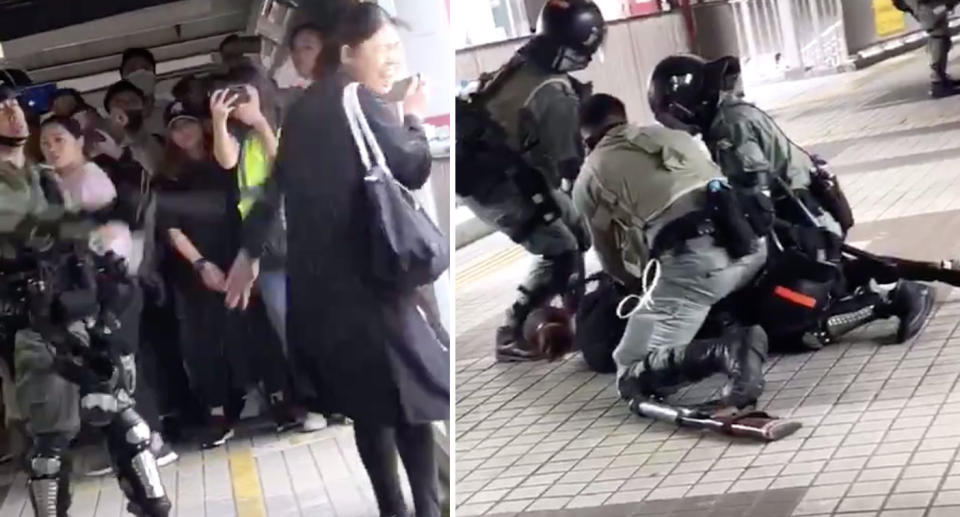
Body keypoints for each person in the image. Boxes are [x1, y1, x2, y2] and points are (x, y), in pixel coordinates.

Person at [223, 4, 446, 516]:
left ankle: (393, 509)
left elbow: (273, 188)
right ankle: (426, 510)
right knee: (408, 401)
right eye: (384, 49)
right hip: (372, 280)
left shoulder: (300, 111)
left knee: (370, 409)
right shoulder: (354, 97)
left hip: (324, 292)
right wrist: (411, 112)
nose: (392, 60)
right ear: (348, 53)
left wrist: (248, 252)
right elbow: (411, 167)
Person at [648, 54, 935, 347]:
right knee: (800, 289)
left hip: (807, 221)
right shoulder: (727, 115)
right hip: (804, 217)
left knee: (793, 323)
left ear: (680, 106)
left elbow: (757, 207)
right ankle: (866, 285)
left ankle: (892, 299)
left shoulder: (730, 127)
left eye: (667, 117)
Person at [0, 87, 171, 517]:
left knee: (128, 427)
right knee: (49, 448)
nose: (12, 113)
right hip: (35, 322)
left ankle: (154, 507)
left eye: (14, 104)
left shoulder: (43, 177)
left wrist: (105, 253)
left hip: (83, 308)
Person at [573, 92, 769, 410]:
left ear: (585, 139)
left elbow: (609, 257)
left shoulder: (590, 174)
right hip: (753, 246)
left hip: (700, 267)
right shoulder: (671, 135)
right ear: (623, 116)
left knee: (629, 370)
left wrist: (636, 285)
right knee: (696, 297)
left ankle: (731, 350)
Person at [457, 0, 603, 362]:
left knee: (578, 235)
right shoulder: (554, 91)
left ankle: (573, 313)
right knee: (561, 250)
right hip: (499, 184)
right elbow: (570, 165)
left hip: (504, 171)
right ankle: (511, 332)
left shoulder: (525, 60)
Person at [207, 67, 301, 433]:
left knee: (312, 319)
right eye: (232, 94)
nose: (239, 101)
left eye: (244, 91)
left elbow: (285, 163)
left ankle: (332, 397)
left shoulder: (282, 122)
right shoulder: (240, 137)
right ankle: (310, 398)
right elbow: (226, 162)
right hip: (265, 242)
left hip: (296, 233)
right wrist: (219, 121)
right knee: (286, 326)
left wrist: (260, 121)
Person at [154, 101, 244, 449]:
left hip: (238, 257)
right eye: (176, 126)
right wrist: (201, 264)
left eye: (188, 122)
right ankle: (219, 412)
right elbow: (171, 229)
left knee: (249, 332)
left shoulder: (222, 161)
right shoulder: (168, 176)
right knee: (202, 344)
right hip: (195, 270)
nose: (183, 131)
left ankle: (279, 398)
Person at [103, 80, 165, 178]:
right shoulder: (104, 154)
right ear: (109, 112)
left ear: (144, 108)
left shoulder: (163, 144)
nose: (126, 106)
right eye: (119, 102)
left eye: (132, 101)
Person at [899, 0, 960, 98]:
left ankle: (941, 78)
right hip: (924, 4)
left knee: (941, 32)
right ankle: (938, 82)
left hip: (926, 4)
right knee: (938, 33)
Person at [119, 47, 170, 135]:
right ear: (123, 78)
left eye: (145, 69)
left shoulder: (169, 110)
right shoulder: (116, 123)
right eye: (132, 70)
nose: (139, 74)